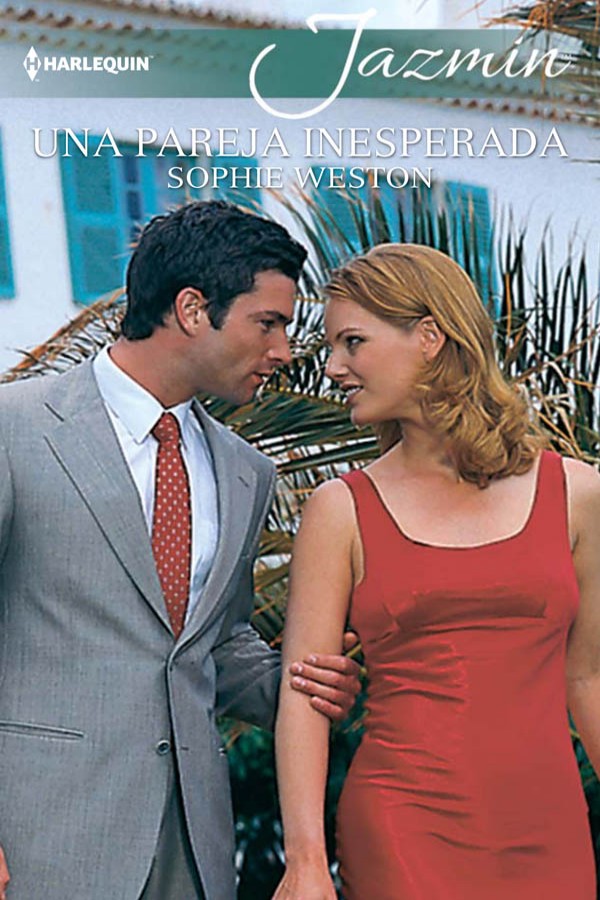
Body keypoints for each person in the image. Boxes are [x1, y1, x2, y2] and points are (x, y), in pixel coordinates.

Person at [0, 200, 361, 900]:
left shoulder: (246, 471)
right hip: (39, 839)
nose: (285, 353)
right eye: (268, 323)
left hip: (193, 847)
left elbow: (213, 644)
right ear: (193, 309)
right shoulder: (15, 429)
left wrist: (302, 684)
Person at [273, 243, 600, 899]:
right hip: (403, 827)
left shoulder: (578, 494)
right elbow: (303, 694)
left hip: (551, 829)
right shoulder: (340, 510)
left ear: (429, 337)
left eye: (352, 342)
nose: (333, 367)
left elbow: (587, 675)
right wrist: (305, 861)